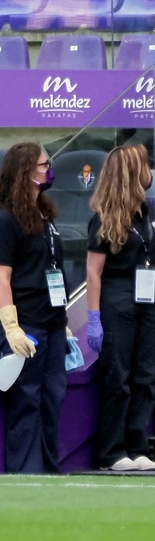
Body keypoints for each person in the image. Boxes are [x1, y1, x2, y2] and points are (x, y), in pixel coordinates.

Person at [86, 145, 155, 472]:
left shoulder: (148, 212)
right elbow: (93, 272)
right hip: (117, 300)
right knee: (119, 379)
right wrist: (94, 317)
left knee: (145, 375)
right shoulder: (104, 217)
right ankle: (113, 452)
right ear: (131, 171)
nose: (150, 169)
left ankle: (138, 447)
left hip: (147, 303)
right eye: (145, 164)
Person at [0, 143, 68, 473]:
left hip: (53, 321)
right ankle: (27, 471)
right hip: (27, 323)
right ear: (27, 172)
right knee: (26, 399)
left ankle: (49, 468)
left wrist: (63, 320)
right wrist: (11, 326)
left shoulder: (45, 214)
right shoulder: (6, 219)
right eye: (44, 165)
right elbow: (3, 276)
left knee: (52, 398)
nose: (48, 169)